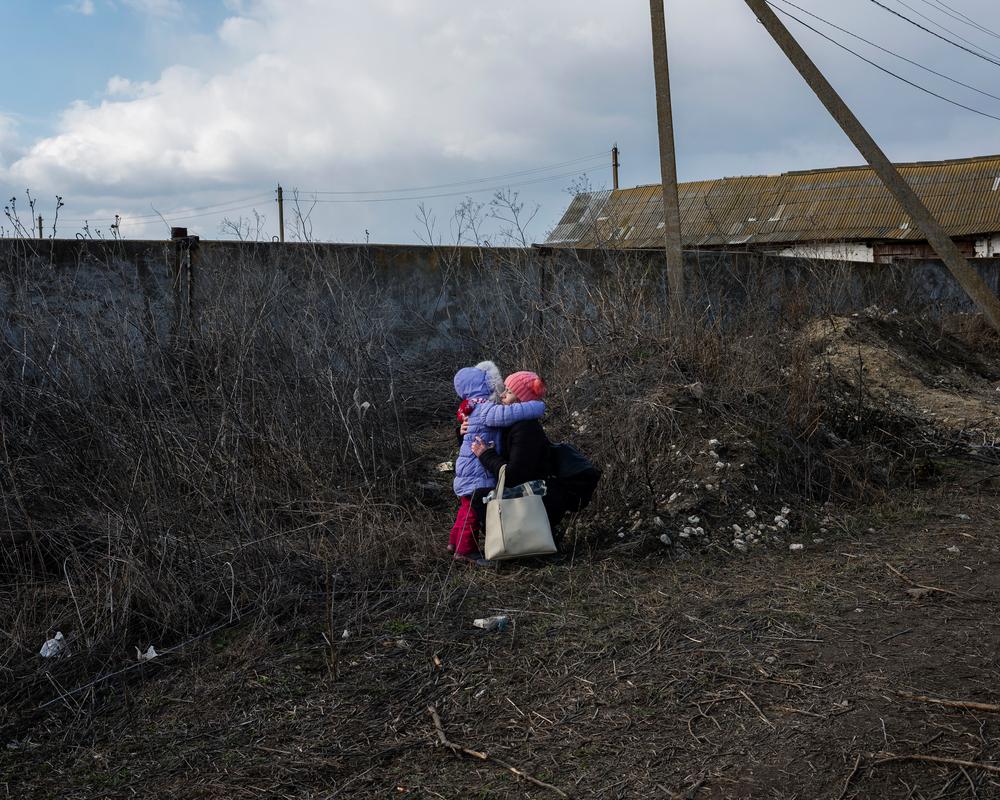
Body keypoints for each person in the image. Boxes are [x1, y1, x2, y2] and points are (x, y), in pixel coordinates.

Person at [471, 371, 582, 545]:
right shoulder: (513, 424)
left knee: (479, 497)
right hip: (535, 494)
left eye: (508, 391)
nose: (502, 395)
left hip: (538, 497)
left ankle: (512, 544)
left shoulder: (526, 429)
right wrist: (463, 432)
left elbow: (514, 475)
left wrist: (486, 454)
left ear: (521, 400)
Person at [451, 365, 545, 564]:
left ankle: (455, 542)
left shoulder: (475, 407)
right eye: (501, 389)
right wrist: (537, 407)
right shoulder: (487, 409)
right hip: (477, 472)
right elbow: (507, 415)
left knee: (467, 508)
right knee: (472, 513)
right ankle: (465, 549)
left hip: (472, 469)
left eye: (509, 391)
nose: (502, 394)